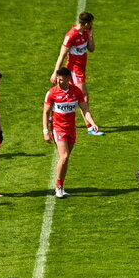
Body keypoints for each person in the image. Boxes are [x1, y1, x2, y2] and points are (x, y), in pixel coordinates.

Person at [43, 67, 99, 198]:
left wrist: (92, 123)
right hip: (58, 128)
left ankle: (61, 185)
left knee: (66, 159)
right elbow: (45, 113)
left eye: (61, 80)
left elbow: (85, 109)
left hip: (71, 128)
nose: (59, 82)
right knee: (64, 156)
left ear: (69, 79)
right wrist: (45, 131)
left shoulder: (76, 92)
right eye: (58, 79)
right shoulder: (52, 93)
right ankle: (58, 187)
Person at [50, 11, 103, 135]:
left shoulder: (85, 33)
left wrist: (90, 36)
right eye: (91, 23)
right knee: (83, 96)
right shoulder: (71, 35)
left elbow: (91, 49)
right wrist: (55, 72)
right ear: (87, 23)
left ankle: (53, 118)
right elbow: (62, 54)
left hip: (81, 69)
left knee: (69, 95)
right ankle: (90, 127)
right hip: (74, 70)